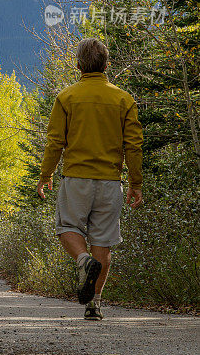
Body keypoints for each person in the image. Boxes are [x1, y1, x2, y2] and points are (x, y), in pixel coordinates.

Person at [36, 37, 143, 320]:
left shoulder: (67, 98)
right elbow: (133, 145)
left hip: (76, 179)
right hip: (111, 182)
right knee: (103, 241)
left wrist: (45, 175)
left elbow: (55, 142)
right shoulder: (123, 99)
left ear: (78, 65)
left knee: (68, 226)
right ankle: (94, 304)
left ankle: (83, 260)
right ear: (107, 64)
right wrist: (136, 184)